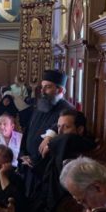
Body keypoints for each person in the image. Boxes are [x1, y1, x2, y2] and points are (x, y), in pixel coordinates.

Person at [22, 69, 73, 197]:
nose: (43, 91)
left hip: (44, 172)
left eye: (48, 87)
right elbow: (28, 131)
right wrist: (23, 154)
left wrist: (51, 134)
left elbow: (62, 128)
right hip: (29, 165)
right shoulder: (41, 106)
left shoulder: (67, 109)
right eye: (42, 87)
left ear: (59, 90)